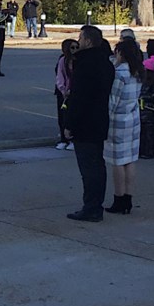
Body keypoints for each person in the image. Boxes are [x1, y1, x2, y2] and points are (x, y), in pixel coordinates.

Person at [63, 25, 115, 222]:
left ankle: (91, 206)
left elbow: (79, 98)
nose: (79, 41)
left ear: (89, 41)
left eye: (81, 37)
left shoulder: (85, 64)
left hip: (85, 122)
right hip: (99, 119)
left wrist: (69, 124)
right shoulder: (106, 63)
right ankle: (95, 204)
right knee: (97, 165)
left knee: (89, 167)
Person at [105, 40, 144, 214]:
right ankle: (128, 197)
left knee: (117, 162)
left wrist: (105, 119)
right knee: (130, 159)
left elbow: (113, 100)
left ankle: (118, 197)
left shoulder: (119, 74)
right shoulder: (137, 72)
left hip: (118, 121)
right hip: (133, 118)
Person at [53, 39, 78, 150]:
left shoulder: (80, 60)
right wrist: (63, 90)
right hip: (63, 93)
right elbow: (59, 76)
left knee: (72, 116)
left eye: (77, 47)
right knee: (62, 116)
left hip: (75, 92)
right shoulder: (62, 60)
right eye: (72, 48)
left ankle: (73, 139)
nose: (75, 50)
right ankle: (63, 139)